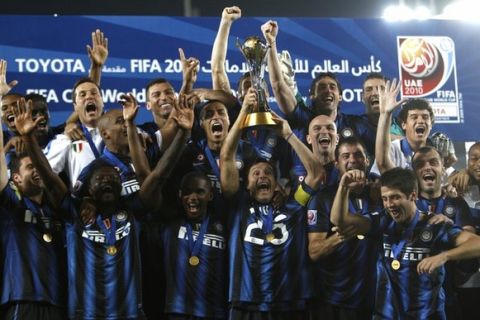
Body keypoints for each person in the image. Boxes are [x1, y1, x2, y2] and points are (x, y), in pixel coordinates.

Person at [15, 92, 193, 319]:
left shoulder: (132, 210)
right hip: (85, 313)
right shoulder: (74, 211)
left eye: (114, 179)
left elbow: (158, 176)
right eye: (100, 180)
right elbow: (49, 178)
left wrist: (184, 133)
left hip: (130, 312)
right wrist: (28, 138)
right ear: (87, 188)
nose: (108, 181)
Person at [220, 87, 322, 318]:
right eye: (255, 174)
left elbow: (315, 174)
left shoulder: (294, 205)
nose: (262, 176)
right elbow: (226, 156)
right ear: (246, 184)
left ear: (277, 183)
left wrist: (288, 135)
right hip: (245, 302)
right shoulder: (237, 207)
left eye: (268, 173)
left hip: (290, 302)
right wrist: (244, 112)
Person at [331, 166, 480, 319]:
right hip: (386, 315)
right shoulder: (382, 221)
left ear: (413, 196)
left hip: (427, 315)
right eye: (385, 198)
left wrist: (444, 256)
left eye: (395, 197)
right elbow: (339, 221)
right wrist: (343, 187)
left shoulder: (435, 225)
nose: (389, 204)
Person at [0, 98, 67, 319]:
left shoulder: (57, 208)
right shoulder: (11, 205)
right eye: (30, 167)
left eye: (38, 165)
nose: (37, 169)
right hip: (21, 299)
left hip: (58, 302)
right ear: (16, 178)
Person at [307, 137, 380, 319]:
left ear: (368, 161)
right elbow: (314, 251)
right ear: (337, 163)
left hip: (376, 299)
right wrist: (341, 235)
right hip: (334, 300)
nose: (352, 160)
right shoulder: (322, 199)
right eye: (345, 156)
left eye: (358, 155)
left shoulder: (380, 194)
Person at [160, 171, 228, 319]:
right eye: (187, 192)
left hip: (213, 312)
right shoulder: (168, 224)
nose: (192, 197)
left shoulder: (225, 227)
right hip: (177, 311)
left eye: (200, 192)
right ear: (179, 194)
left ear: (210, 195)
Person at [370, 79, 432, 177]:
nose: (420, 121)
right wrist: (385, 114)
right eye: (414, 117)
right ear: (404, 125)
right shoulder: (392, 149)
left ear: (431, 124)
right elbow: (382, 164)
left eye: (425, 117)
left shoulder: (435, 152)